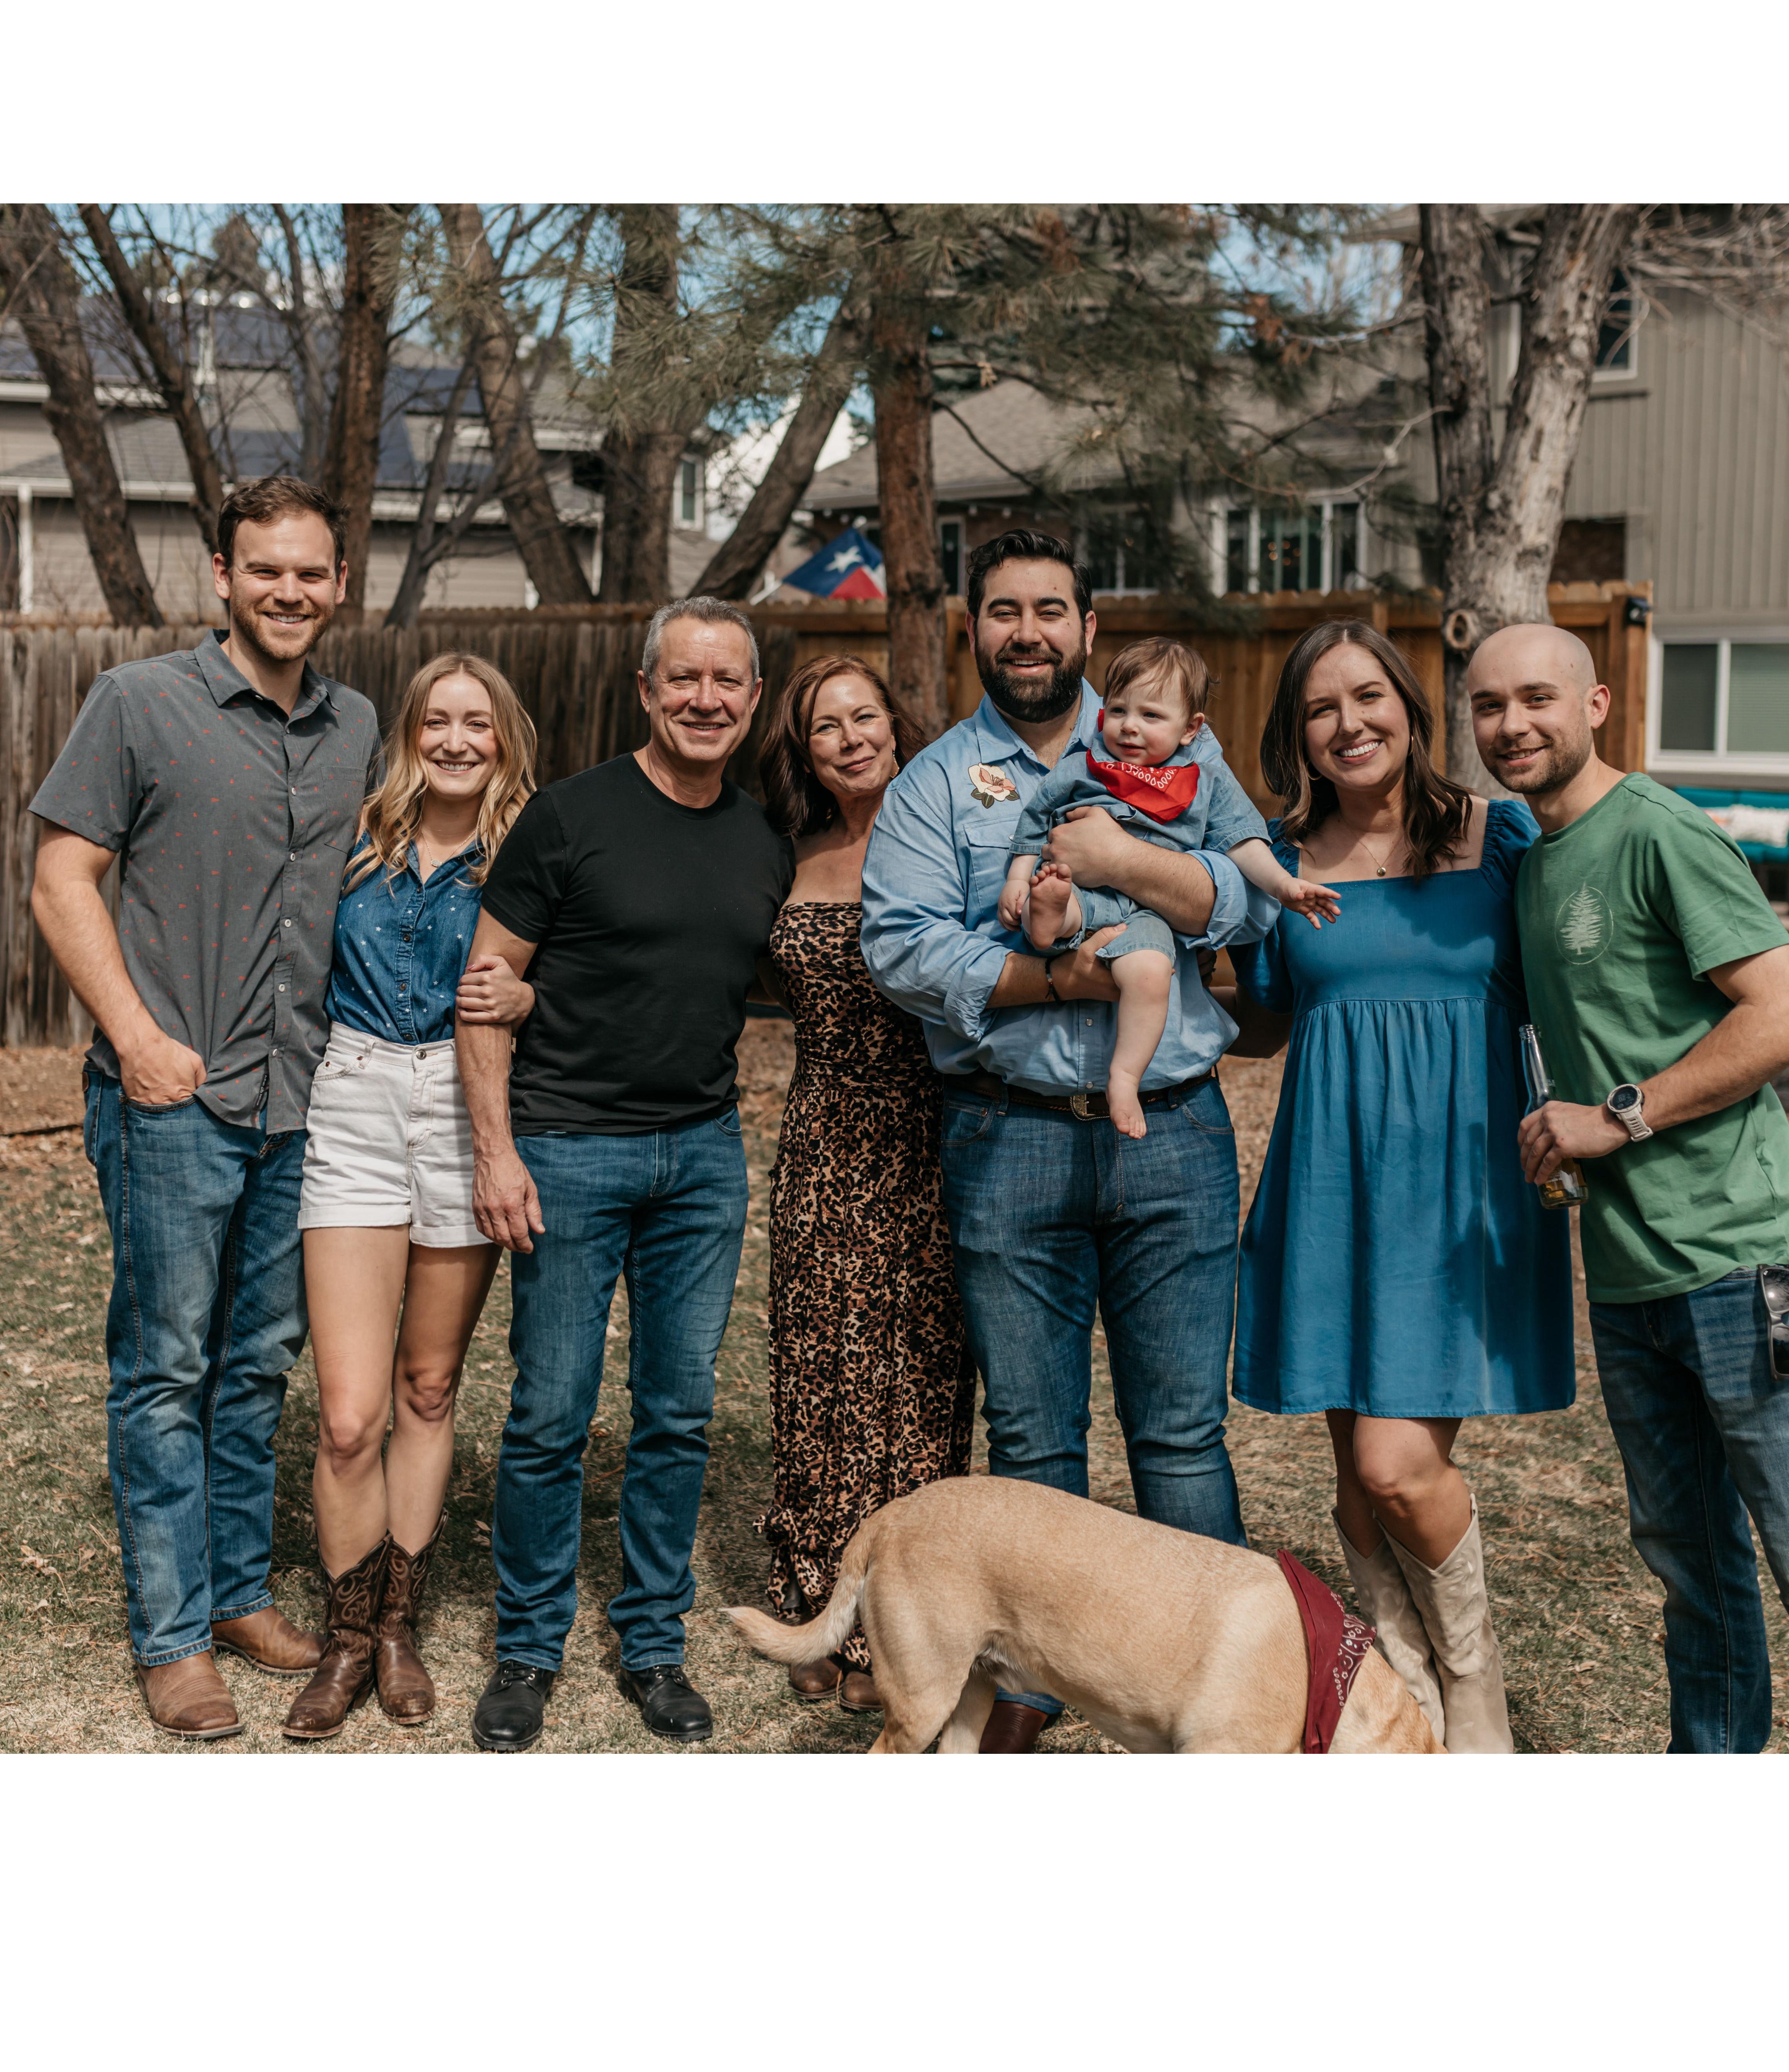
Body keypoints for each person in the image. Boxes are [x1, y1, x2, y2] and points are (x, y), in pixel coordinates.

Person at [1467, 621, 1789, 1753]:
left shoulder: (1658, 831)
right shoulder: (1535, 861)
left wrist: (1617, 1115)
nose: (1512, 724)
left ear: (1594, 705)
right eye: (1488, 705)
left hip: (1742, 1263)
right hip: (1628, 1275)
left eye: (1536, 697)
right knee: (1694, 1567)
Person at [861, 529, 1280, 1752]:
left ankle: (1222, 1694)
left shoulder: (1175, 741)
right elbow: (899, 945)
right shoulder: (938, 782)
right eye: (1004, 611)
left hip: (1175, 1136)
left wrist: (1123, 860)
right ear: (974, 630)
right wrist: (1060, 980)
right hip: (1010, 1136)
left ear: (1088, 628)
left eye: (1051, 609)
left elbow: (1245, 902)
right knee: (1033, 1439)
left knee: (1180, 1436)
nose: (1028, 631)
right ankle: (1034, 1693)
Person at [28, 476, 380, 1741]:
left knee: (256, 1364)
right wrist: (136, 1038)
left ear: (339, 583)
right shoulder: (139, 702)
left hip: (304, 1099)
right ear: (222, 576)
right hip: (174, 1098)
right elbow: (61, 876)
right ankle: (173, 1634)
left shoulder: (356, 724)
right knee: (166, 1365)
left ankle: (237, 1592)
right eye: (264, 568)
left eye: (310, 571)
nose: (289, 590)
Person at [1223, 620, 1575, 1753]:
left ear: (1411, 712)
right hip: (1333, 1180)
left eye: (1368, 696)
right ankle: (1405, 1693)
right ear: (1296, 735)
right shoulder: (1279, 861)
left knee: (1398, 1464)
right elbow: (1265, 1019)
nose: (1349, 723)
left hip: (1463, 1185)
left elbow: (1574, 978)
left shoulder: (1498, 836)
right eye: (1320, 708)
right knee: (1355, 1484)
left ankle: (1473, 1688)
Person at [456, 595, 794, 1752]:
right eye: (682, 678)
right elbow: (484, 992)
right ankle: (527, 1648)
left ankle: (653, 1641)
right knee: (551, 1411)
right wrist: (497, 1152)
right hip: (567, 1149)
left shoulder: (762, 839)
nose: (705, 699)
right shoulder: (569, 817)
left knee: (676, 1412)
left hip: (701, 1158)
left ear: (753, 698)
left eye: (727, 681)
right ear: (646, 690)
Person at [283, 654, 536, 1740]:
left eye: (478, 723)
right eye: (438, 720)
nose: (456, 740)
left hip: (466, 1103)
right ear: (410, 735)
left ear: (504, 739)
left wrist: (532, 993)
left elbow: (583, 975)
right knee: (350, 1416)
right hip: (354, 1096)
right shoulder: (354, 840)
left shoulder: (528, 853)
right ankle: (344, 1636)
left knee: (428, 1387)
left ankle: (397, 1626)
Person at [754, 656, 973, 1715]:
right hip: (822, 1133)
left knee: (920, 1379)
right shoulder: (784, 853)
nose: (850, 739)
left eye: (864, 716)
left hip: (933, 1129)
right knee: (818, 1373)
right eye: (824, 727)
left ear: (897, 723)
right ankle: (814, 1600)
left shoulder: (950, 839)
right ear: (803, 753)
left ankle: (904, 1619)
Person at [999, 636, 1340, 1133]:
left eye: (1151, 716)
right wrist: (1017, 877)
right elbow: (1035, 817)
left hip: (1149, 917)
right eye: (1118, 711)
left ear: (1190, 729)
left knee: (1152, 974)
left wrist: (1284, 885)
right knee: (1054, 892)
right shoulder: (1084, 764)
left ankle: (1124, 1077)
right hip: (1083, 892)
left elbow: (1243, 840)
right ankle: (1048, 916)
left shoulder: (1203, 779)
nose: (1129, 726)